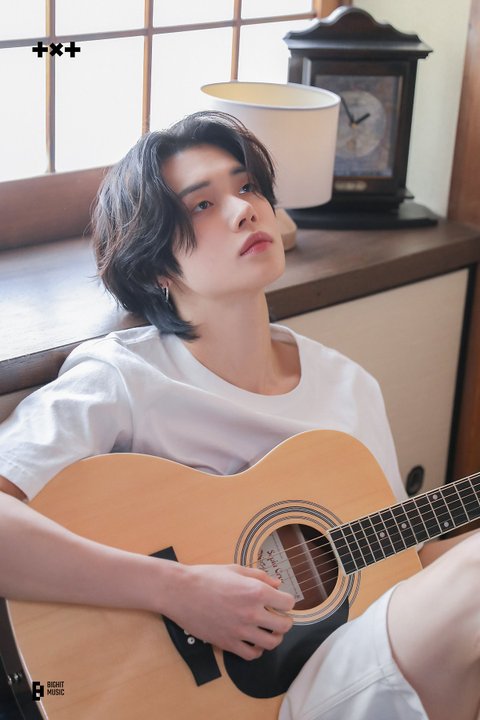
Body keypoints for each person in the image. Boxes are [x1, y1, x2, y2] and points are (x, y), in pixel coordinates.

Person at [0, 111, 478, 720]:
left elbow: (400, 565)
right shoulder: (124, 378)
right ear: (154, 264)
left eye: (247, 186)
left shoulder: (347, 385)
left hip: (347, 661)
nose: (244, 210)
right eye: (202, 205)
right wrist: (178, 590)